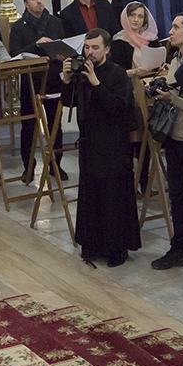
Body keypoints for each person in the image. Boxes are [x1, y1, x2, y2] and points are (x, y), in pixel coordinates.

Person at [61, 29, 139, 266]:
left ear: (107, 49)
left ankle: (116, 249)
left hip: (114, 145)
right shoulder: (81, 73)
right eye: (87, 48)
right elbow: (68, 102)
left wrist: (96, 82)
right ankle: (92, 245)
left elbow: (119, 107)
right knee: (91, 195)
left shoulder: (117, 74)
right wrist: (66, 80)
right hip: (90, 143)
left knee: (113, 197)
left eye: (95, 48)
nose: (90, 52)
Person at [148, 13, 183, 275]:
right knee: (177, 198)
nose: (170, 31)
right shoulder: (175, 58)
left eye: (176, 27)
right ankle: (179, 249)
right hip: (173, 137)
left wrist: (173, 99)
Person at [8, 0, 66, 180]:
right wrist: (36, 45)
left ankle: (56, 164)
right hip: (30, 81)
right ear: (25, 3)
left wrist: (59, 53)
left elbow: (63, 45)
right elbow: (15, 53)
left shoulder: (55, 22)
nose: (39, 1)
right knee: (29, 125)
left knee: (55, 125)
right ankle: (29, 167)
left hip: (52, 79)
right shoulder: (18, 27)